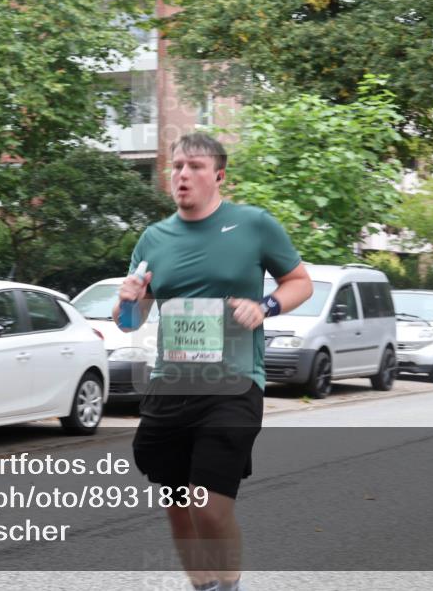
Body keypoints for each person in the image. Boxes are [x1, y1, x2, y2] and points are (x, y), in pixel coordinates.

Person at [114, 133, 312, 591]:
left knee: (209, 504)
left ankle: (230, 587)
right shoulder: (153, 239)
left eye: (195, 167)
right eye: (177, 166)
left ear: (219, 175)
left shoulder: (253, 225)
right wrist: (127, 301)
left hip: (235, 385)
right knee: (178, 507)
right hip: (170, 386)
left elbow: (299, 281)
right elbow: (130, 319)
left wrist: (266, 306)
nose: (183, 174)